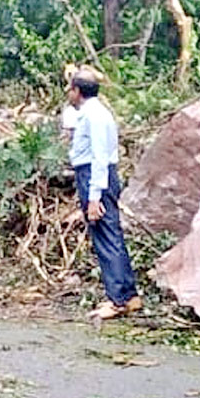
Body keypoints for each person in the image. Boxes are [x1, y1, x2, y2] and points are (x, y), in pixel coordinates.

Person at [67, 69, 142, 319]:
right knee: (110, 234)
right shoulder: (90, 113)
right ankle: (128, 294)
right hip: (93, 174)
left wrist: (94, 196)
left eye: (70, 88)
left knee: (106, 236)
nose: (68, 93)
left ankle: (118, 298)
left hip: (95, 176)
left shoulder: (95, 116)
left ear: (77, 91)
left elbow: (99, 157)